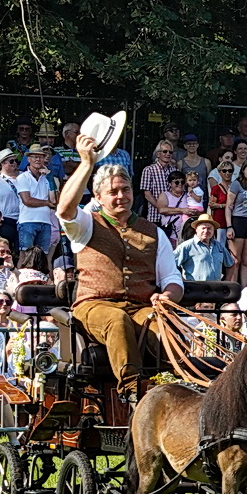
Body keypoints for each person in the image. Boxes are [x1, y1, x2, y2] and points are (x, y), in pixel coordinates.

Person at [55, 134, 185, 396]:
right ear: (99, 197)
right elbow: (64, 210)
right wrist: (85, 163)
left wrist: (167, 296)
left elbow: (173, 278)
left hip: (142, 308)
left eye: (125, 189)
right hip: (94, 307)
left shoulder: (154, 232)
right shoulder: (86, 224)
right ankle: (132, 391)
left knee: (163, 326)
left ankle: (177, 387)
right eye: (113, 192)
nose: (121, 196)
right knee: (117, 319)